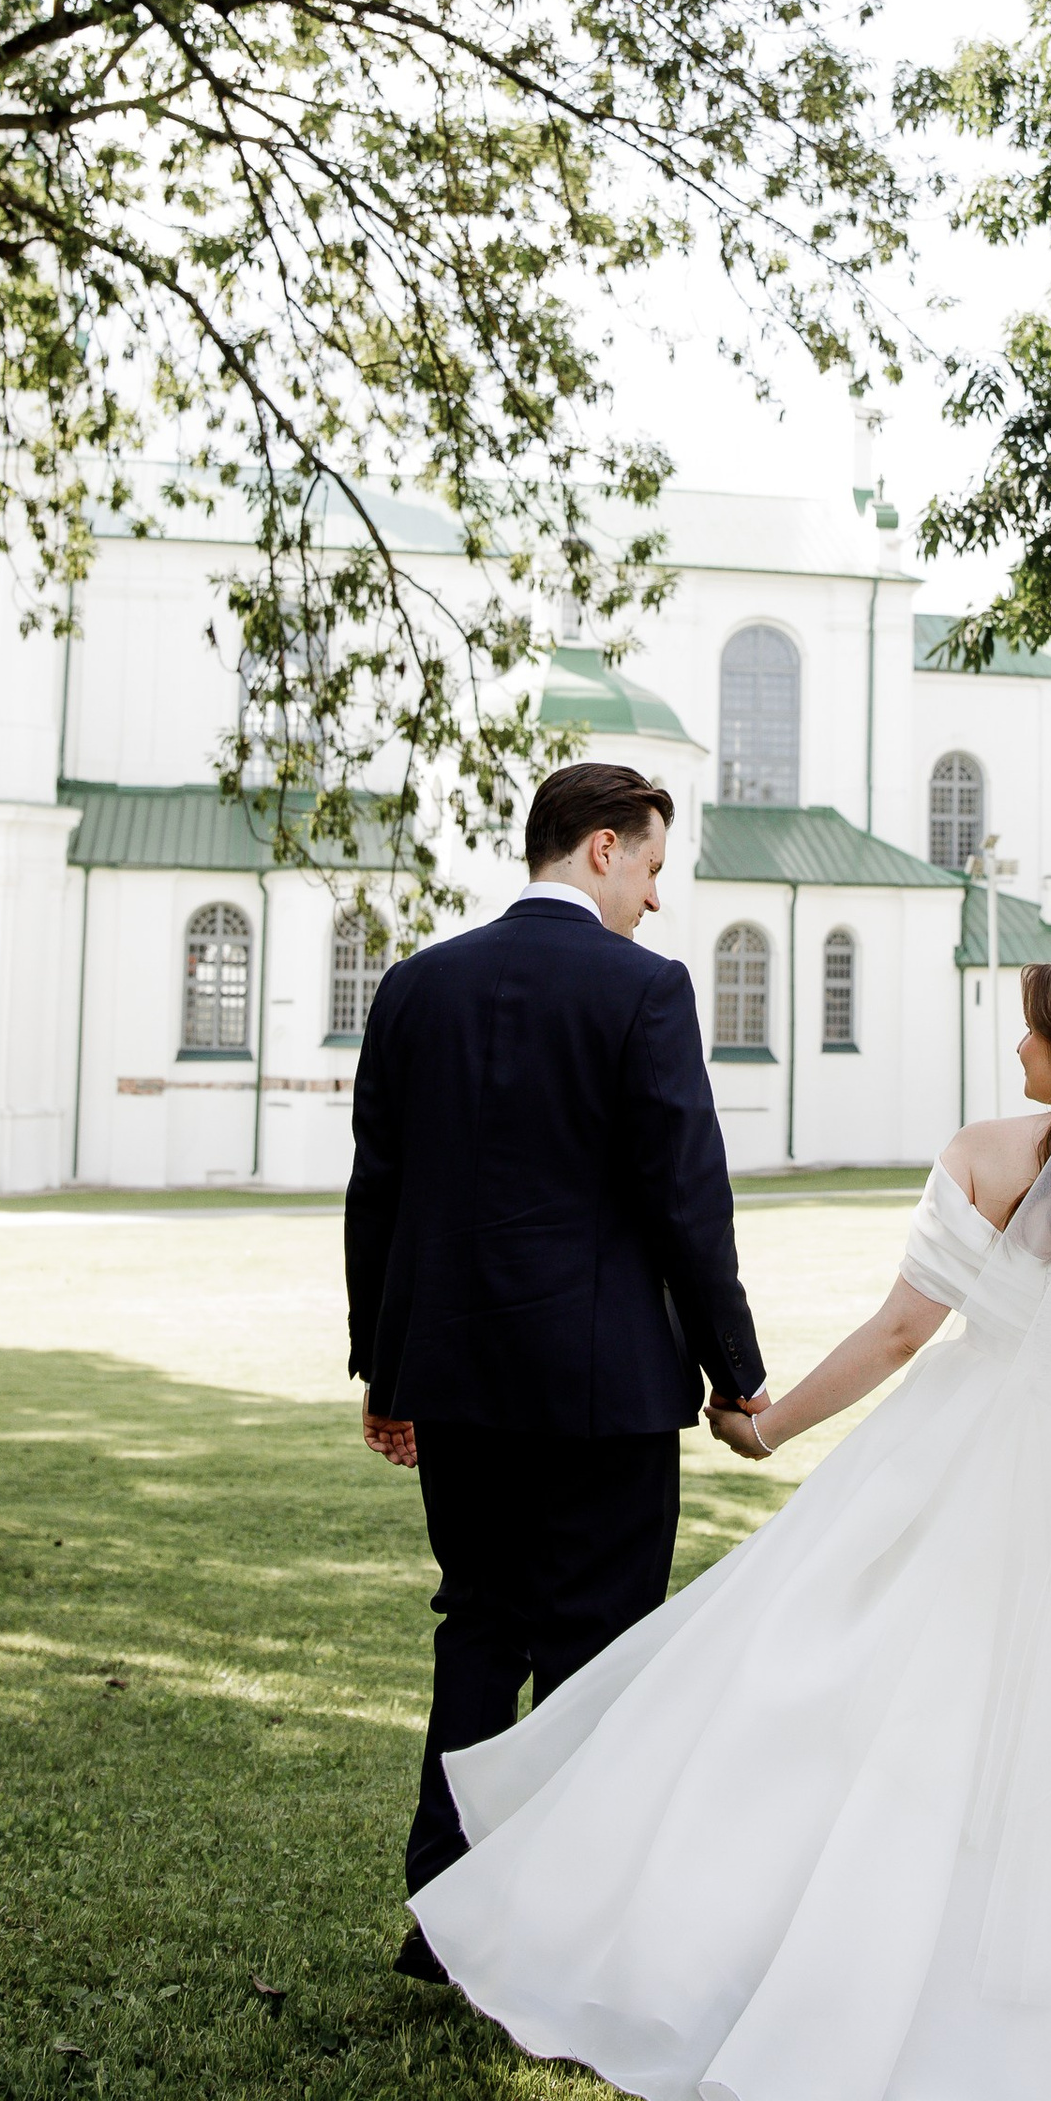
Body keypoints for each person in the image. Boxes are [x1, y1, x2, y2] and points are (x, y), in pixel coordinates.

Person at [415, 959, 1051, 2101]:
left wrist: (768, 1425)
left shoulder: (985, 1154)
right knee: (1039, 1751)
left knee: (853, 1710)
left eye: (1027, 1036)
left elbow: (903, 1332)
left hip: (966, 1471)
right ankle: (1027, 2038)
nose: (1014, 1055)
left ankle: (802, 1987)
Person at [347, 759, 770, 1981]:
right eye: (651, 866)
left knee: (479, 1628)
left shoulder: (415, 987)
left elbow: (378, 1195)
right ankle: (563, 1934)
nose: (654, 896)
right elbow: (688, 1201)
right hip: (604, 1394)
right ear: (600, 849)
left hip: (455, 1383)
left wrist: (385, 1371)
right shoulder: (644, 988)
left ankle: (445, 1918)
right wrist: (734, 1371)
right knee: (597, 1657)